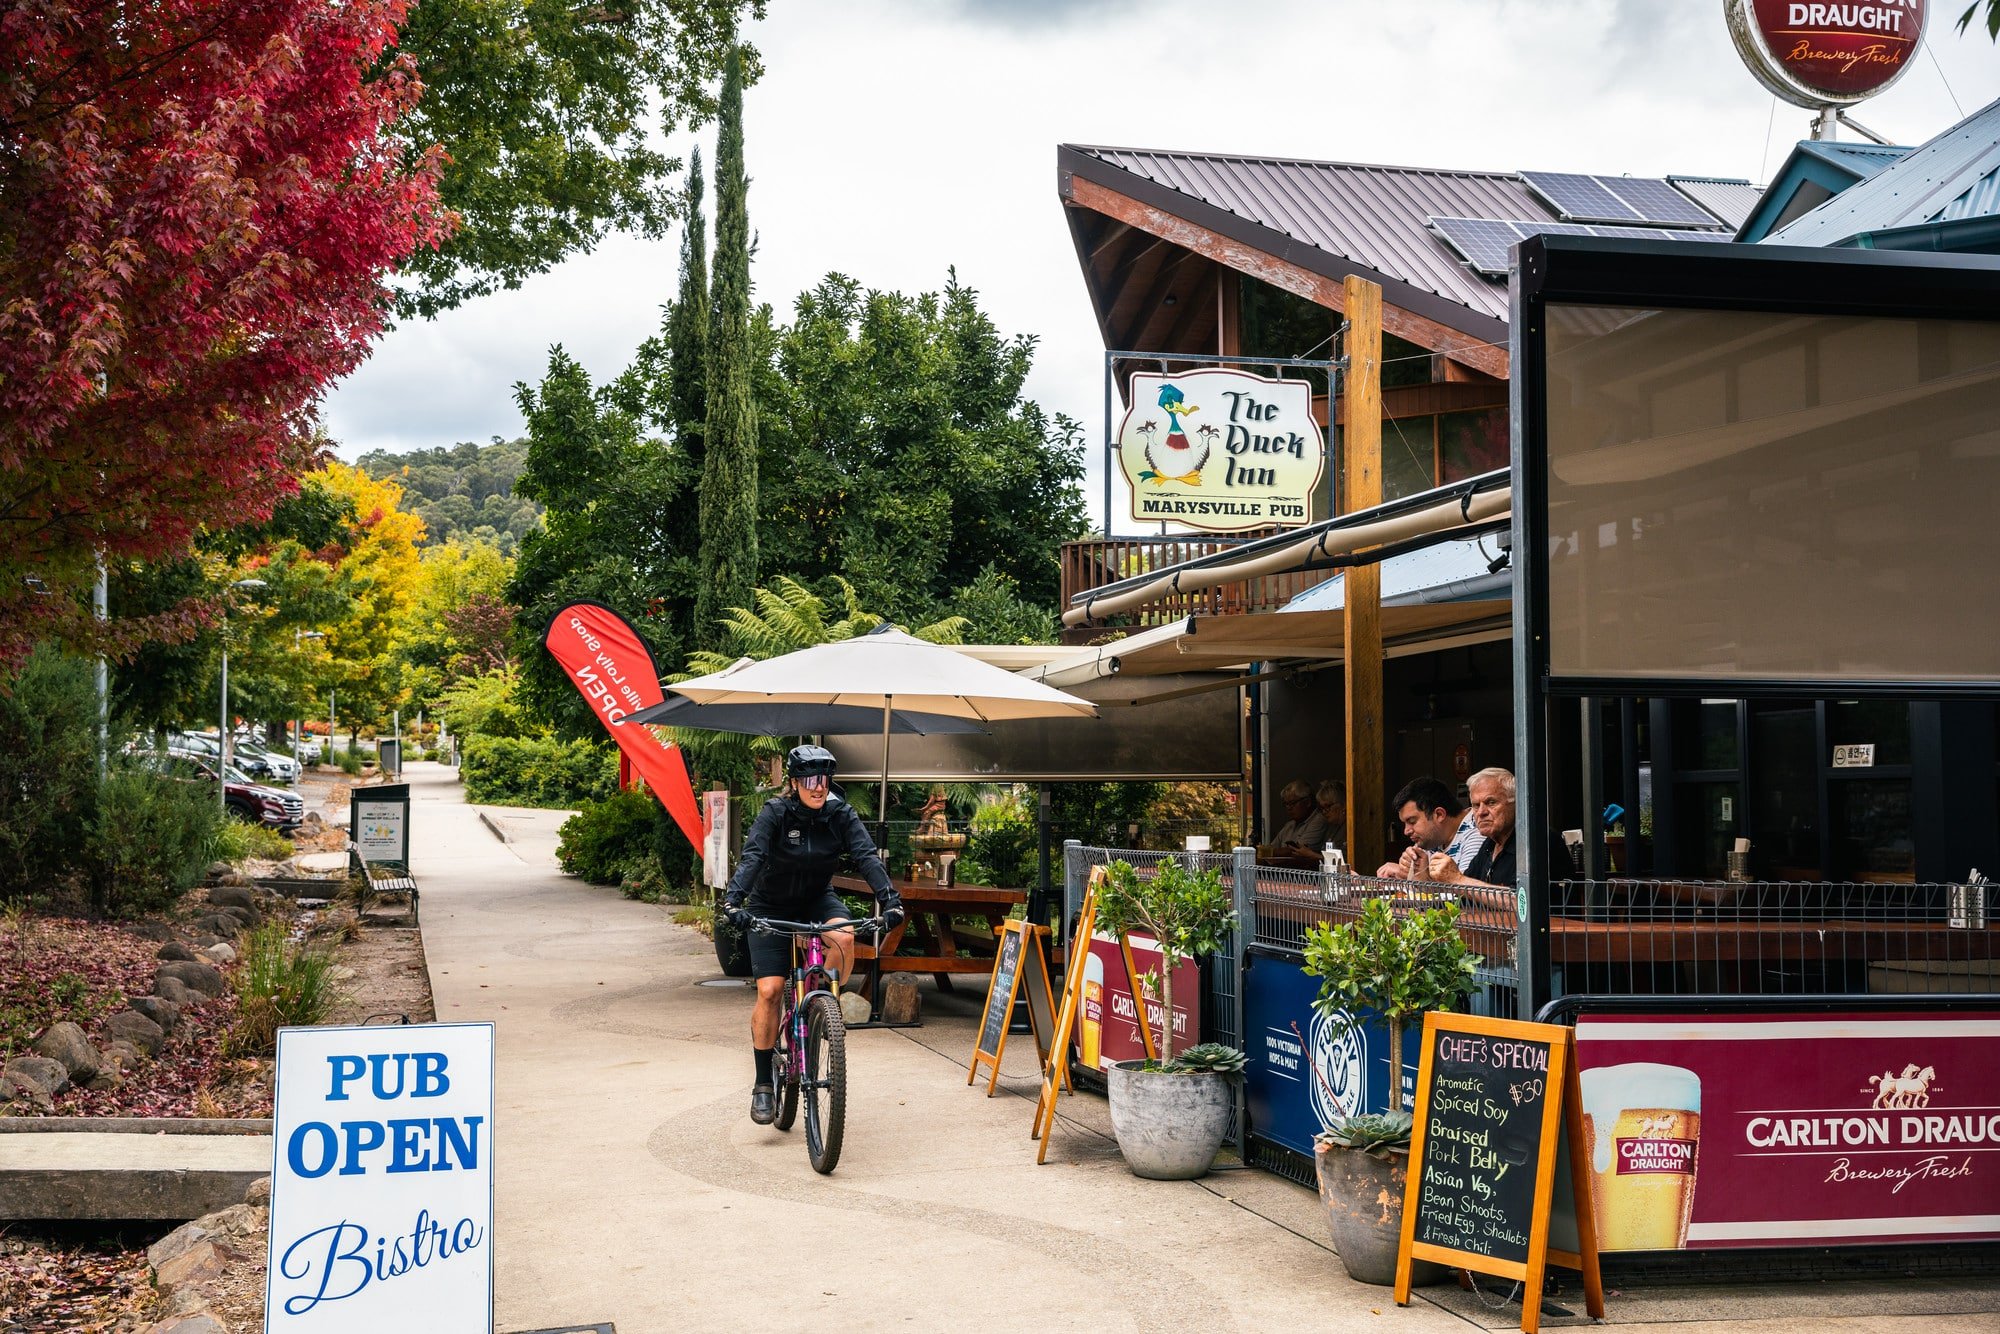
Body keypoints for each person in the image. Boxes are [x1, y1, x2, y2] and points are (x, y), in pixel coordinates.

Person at [722, 744, 905, 1125]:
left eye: (823, 779)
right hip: (769, 905)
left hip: (816, 899)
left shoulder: (840, 813)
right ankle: (762, 1085)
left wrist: (890, 901)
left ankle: (823, 1005)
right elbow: (753, 856)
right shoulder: (775, 812)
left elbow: (866, 856)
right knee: (771, 991)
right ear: (794, 782)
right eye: (809, 779)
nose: (817, 787)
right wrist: (734, 902)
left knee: (844, 937)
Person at [1426, 767, 1569, 908]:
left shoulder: (1538, 841)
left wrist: (1457, 879)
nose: (1481, 812)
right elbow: (1465, 895)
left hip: (1551, 930)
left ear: (1516, 803)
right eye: (1476, 805)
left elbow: (1521, 902)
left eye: (1491, 802)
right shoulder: (1489, 844)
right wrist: (1426, 881)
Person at [1375, 775, 1485, 879]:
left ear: (1439, 815)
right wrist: (1406, 874)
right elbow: (1419, 883)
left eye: (1412, 821)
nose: (1406, 831)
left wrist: (1425, 879)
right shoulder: (1433, 836)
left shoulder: (1477, 832)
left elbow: (1467, 895)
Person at [1261, 778, 1327, 858]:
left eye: (1292, 803)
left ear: (1307, 802)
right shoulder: (1289, 825)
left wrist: (1268, 852)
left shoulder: (1319, 820)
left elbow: (1296, 850)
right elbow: (1271, 847)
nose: (1288, 808)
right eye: (1286, 804)